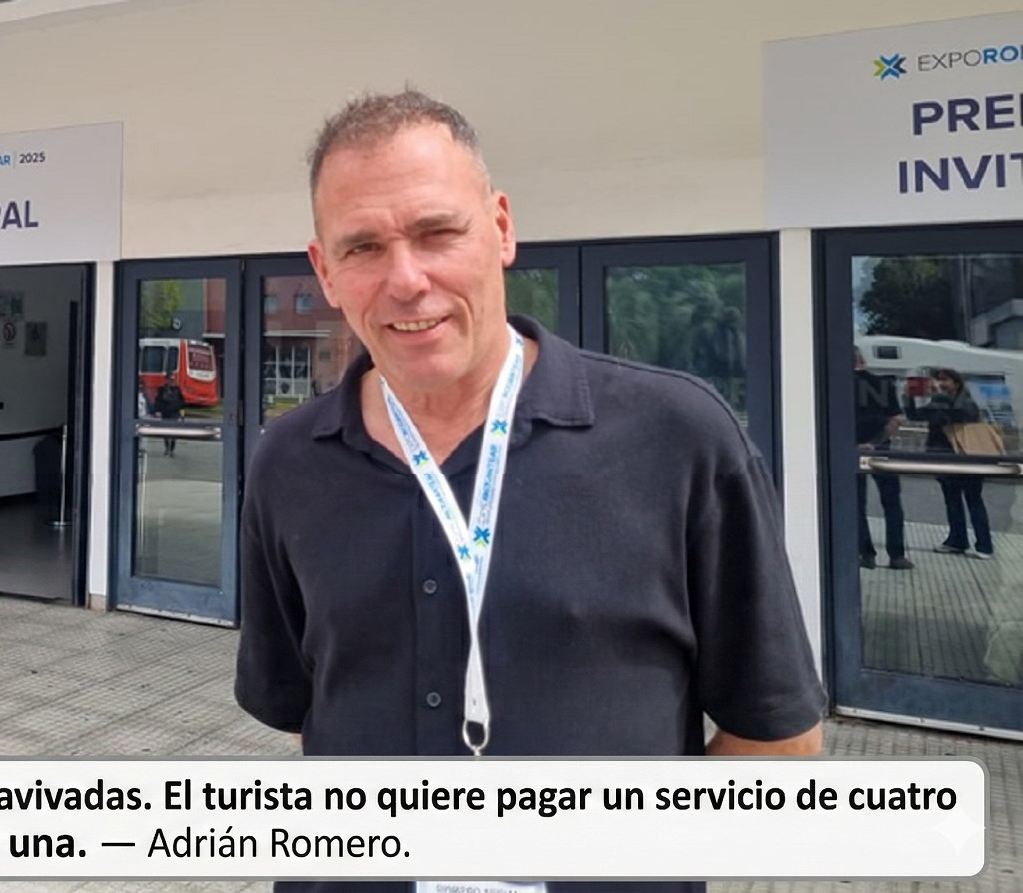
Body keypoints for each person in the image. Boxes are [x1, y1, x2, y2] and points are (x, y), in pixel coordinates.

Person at [233, 90, 825, 893]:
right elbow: (313, 719)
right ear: (324, 271)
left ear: (502, 228)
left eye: (438, 232)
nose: (406, 279)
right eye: (363, 246)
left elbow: (779, 743)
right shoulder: (289, 462)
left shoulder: (678, 438)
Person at [911, 368, 993, 559]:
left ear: (956, 383)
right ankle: (957, 540)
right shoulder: (937, 402)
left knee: (974, 500)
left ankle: (984, 545)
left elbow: (962, 414)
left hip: (967, 458)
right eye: (938, 379)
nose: (940, 383)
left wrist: (941, 396)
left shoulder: (966, 402)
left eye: (944, 380)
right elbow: (916, 415)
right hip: (943, 458)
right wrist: (909, 397)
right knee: (952, 501)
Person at [853, 348, 912, 570]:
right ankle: (897, 556)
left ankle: (866, 554)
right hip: (882, 451)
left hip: (850, 450)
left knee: (856, 503)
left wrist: (856, 445)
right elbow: (897, 420)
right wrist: (876, 443)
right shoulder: (883, 384)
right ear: (862, 360)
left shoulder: (835, 385)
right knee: (892, 502)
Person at [153, 371, 185, 456]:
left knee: (174, 432)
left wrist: (182, 413)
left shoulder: (177, 390)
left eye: (173, 379)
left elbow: (182, 402)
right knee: (166, 432)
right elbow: (158, 401)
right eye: (170, 379)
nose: (171, 381)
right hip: (165, 412)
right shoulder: (162, 390)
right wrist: (157, 411)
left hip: (174, 413)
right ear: (166, 380)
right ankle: (167, 448)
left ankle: (172, 449)